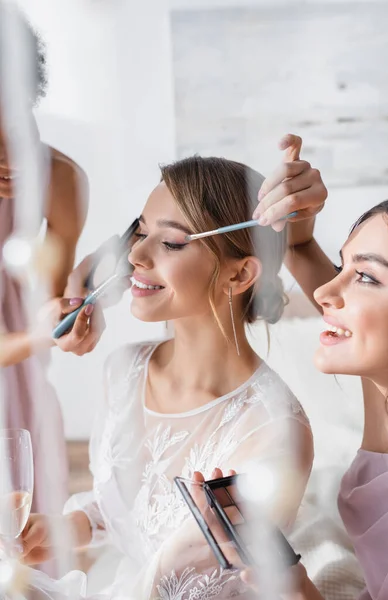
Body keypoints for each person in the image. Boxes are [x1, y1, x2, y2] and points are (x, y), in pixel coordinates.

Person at [17, 152, 328, 599]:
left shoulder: (275, 434)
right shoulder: (124, 371)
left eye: (172, 242)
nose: (136, 256)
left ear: (240, 274)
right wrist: (69, 527)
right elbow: (124, 503)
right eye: (140, 232)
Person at [248, 135, 388, 598]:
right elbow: (299, 247)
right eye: (341, 266)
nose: (323, 293)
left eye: (367, 277)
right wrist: (297, 204)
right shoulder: (386, 380)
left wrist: (298, 589)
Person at [0, 2, 104, 519]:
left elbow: (48, 306)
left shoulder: (59, 179)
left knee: (28, 543)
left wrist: (75, 307)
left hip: (15, 383)